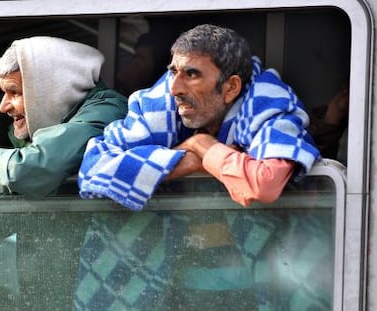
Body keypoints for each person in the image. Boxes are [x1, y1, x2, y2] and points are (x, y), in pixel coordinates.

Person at [73, 24, 328, 311]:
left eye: (192, 74)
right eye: (173, 72)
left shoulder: (266, 101)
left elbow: (264, 183)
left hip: (258, 285)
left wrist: (205, 147)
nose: (175, 88)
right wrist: (195, 154)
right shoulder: (158, 105)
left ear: (231, 87)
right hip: (174, 286)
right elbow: (95, 170)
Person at [0, 36, 128, 197]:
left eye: (14, 92)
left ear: (54, 90)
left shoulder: (108, 111)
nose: (2, 107)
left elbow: (30, 171)